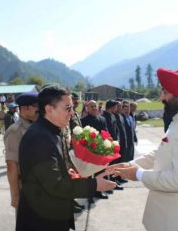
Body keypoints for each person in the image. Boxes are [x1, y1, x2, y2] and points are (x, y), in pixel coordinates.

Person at [109, 68, 178, 231]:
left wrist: (138, 174)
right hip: (170, 215)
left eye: (165, 92)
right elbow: (161, 152)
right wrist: (130, 165)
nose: (161, 97)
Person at [16, 85, 116, 231]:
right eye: (67, 108)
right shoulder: (40, 138)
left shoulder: (52, 131)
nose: (72, 113)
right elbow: (54, 185)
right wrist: (94, 185)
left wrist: (67, 173)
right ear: (49, 109)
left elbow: (49, 172)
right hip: (41, 220)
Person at [4, 91, 39, 210]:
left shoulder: (37, 127)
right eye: (36, 106)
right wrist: (15, 195)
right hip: (25, 188)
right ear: (24, 107)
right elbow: (11, 166)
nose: (39, 109)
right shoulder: (15, 131)